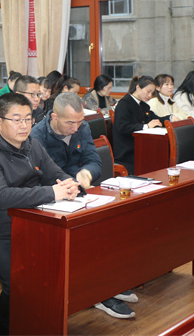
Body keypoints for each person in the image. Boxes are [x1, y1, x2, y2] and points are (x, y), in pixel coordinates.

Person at [0, 93, 80, 334]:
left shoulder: (32, 145)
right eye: (17, 120)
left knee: (58, 265)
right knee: (19, 279)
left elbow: (55, 173)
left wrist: (69, 183)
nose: (24, 125)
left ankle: (41, 324)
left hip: (29, 225)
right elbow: (1, 197)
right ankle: (8, 330)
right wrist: (51, 192)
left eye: (28, 119)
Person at [30, 91, 138, 318]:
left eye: (79, 122)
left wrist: (87, 172)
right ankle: (98, 292)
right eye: (70, 123)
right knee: (87, 236)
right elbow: (39, 176)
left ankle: (107, 282)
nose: (76, 128)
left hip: (79, 193)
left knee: (111, 224)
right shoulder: (37, 136)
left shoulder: (82, 127)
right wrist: (68, 185)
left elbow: (93, 160)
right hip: (52, 200)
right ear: (54, 117)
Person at [112, 76, 168, 174]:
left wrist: (170, 118)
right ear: (138, 87)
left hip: (140, 147)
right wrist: (146, 126)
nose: (150, 95)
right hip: (127, 151)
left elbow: (154, 119)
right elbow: (123, 127)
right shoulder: (124, 104)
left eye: (152, 93)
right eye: (148, 91)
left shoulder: (143, 105)